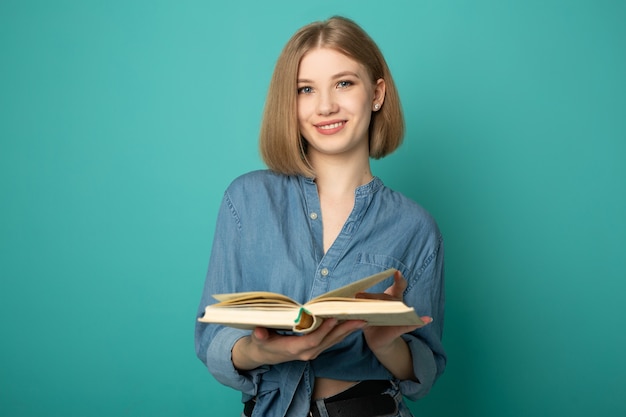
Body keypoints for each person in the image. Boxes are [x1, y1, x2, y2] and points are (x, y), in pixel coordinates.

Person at [195, 16, 446, 417]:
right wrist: (259, 350)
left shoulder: (415, 227)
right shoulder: (246, 199)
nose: (326, 105)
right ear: (290, 104)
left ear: (377, 93)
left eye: (344, 83)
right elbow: (211, 340)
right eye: (306, 89)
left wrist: (387, 344)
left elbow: (425, 373)